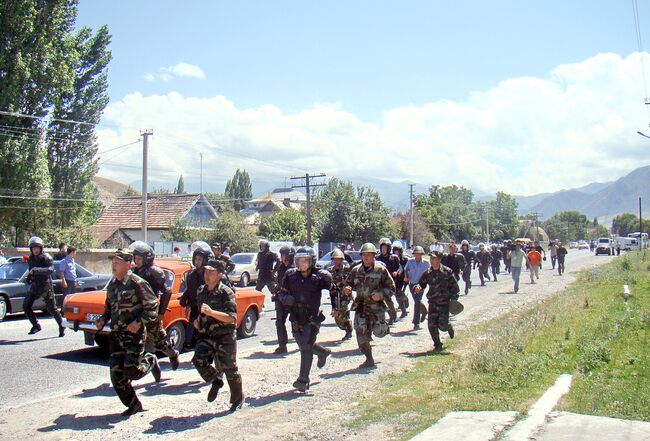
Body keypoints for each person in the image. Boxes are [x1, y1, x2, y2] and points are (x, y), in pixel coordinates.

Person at [94, 249, 160, 416]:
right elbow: (109, 308)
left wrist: (138, 323)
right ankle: (134, 404)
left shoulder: (137, 283)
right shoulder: (113, 285)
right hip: (116, 336)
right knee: (117, 377)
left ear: (127, 264)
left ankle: (150, 359)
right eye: (112, 262)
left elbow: (152, 306)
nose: (113, 266)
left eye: (117, 263)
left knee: (132, 372)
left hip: (133, 336)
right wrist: (102, 320)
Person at [192, 259, 244, 411]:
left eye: (211, 273)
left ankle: (237, 397)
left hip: (224, 335)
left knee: (230, 368)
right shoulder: (201, 291)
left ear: (220, 275)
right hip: (207, 335)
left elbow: (232, 319)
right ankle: (216, 379)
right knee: (198, 360)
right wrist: (197, 321)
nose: (207, 275)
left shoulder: (226, 293)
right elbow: (201, 312)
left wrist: (212, 313)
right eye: (206, 272)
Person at [279, 247, 332, 392]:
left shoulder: (319, 276)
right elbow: (280, 292)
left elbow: (334, 288)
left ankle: (303, 380)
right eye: (299, 261)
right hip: (296, 316)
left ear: (311, 261)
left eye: (305, 261)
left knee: (306, 346)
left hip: (312, 317)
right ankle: (322, 352)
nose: (301, 264)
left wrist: (329, 277)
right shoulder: (290, 275)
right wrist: (285, 299)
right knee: (303, 345)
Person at [129, 241, 179, 370]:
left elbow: (167, 291)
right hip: (136, 310)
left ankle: (172, 354)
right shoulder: (133, 271)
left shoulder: (154, 272)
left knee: (159, 340)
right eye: (136, 258)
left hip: (150, 310)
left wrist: (161, 312)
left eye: (140, 258)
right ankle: (150, 363)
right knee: (137, 340)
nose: (137, 261)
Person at [343, 243, 395, 369]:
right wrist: (347, 289)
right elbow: (348, 284)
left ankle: (384, 327)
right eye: (364, 255)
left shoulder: (380, 270)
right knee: (361, 334)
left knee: (379, 332)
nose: (366, 257)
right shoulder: (356, 270)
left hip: (376, 308)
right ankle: (369, 359)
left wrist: (381, 294)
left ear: (373, 256)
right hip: (361, 307)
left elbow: (391, 288)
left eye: (369, 255)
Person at [414, 251, 460, 353]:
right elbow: (421, 284)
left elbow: (455, 287)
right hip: (433, 303)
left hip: (444, 303)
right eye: (431, 258)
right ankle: (438, 345)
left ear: (439, 259)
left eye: (434, 258)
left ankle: (448, 326)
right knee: (431, 325)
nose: (432, 260)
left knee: (442, 326)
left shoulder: (447, 271)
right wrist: (418, 288)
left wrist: (453, 300)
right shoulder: (428, 273)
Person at [24, 236, 65, 336]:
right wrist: (29, 277)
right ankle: (36, 325)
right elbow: (31, 270)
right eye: (33, 248)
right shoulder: (31, 259)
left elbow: (50, 270)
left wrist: (36, 270)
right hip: (35, 285)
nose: (35, 250)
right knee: (26, 306)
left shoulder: (46, 257)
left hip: (45, 286)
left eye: (37, 248)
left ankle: (62, 325)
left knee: (52, 309)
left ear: (41, 248)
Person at [179, 241, 213, 349]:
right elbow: (190, 289)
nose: (197, 262)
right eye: (196, 259)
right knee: (192, 327)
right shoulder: (190, 274)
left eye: (200, 259)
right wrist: (184, 299)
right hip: (194, 306)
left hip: (205, 307)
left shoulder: (208, 274)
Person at [272, 245, 295, 354]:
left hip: (292, 298)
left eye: (283, 254)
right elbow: (277, 280)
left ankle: (304, 343)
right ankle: (282, 345)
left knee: (297, 321)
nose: (281, 256)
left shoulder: (294, 268)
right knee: (279, 322)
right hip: (281, 297)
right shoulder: (280, 266)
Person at [327, 248, 353, 341]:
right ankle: (346, 327)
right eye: (334, 259)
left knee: (343, 312)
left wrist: (347, 284)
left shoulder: (347, 269)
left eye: (338, 259)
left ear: (342, 259)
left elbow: (352, 281)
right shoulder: (330, 271)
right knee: (337, 319)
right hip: (335, 296)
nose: (336, 261)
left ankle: (349, 331)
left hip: (345, 296)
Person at [404, 246, 430, 330]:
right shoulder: (410, 261)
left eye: (419, 254)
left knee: (417, 302)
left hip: (421, 284)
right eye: (416, 254)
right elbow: (406, 270)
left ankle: (416, 323)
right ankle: (424, 311)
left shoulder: (426, 263)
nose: (417, 255)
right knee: (416, 301)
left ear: (422, 254)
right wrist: (406, 277)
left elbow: (430, 272)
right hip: (412, 283)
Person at [376, 237, 400, 324]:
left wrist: (396, 272)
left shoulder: (394, 258)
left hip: (389, 282)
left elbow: (400, 268)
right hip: (379, 282)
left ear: (389, 249)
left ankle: (393, 317)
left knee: (388, 299)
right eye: (382, 248)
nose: (383, 250)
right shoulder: (377, 258)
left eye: (385, 248)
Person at [391, 241, 410, 318]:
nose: (396, 252)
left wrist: (407, 277)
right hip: (395, 279)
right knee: (397, 294)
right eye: (395, 250)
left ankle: (405, 301)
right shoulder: (392, 259)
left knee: (399, 293)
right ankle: (403, 310)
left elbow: (405, 269)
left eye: (398, 251)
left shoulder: (404, 259)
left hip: (403, 278)